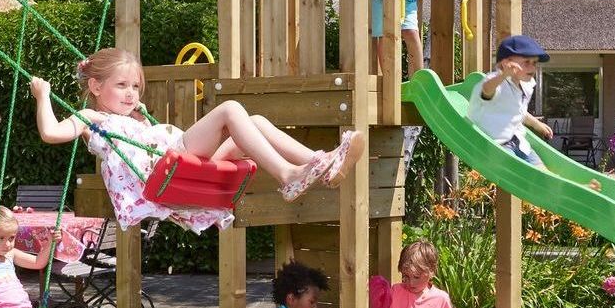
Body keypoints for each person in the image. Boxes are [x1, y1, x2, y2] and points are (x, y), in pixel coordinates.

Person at [30, 48, 365, 233]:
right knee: (230, 109)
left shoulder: (131, 118)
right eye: (122, 86)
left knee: (256, 122)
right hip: (167, 167)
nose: (131, 93)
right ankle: (287, 175)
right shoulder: (93, 118)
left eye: (135, 87)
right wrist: (43, 96)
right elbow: (50, 133)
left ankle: (321, 163)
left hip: (184, 164)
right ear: (95, 87)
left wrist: (141, 118)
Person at [467, 34, 554, 168]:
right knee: (514, 168)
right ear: (506, 63)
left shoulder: (526, 85)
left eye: (534, 63)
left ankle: (550, 178)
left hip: (517, 140)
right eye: (526, 62)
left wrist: (536, 124)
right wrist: (503, 75)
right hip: (495, 144)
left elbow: (518, 111)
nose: (532, 68)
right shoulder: (495, 81)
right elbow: (487, 91)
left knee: (540, 168)